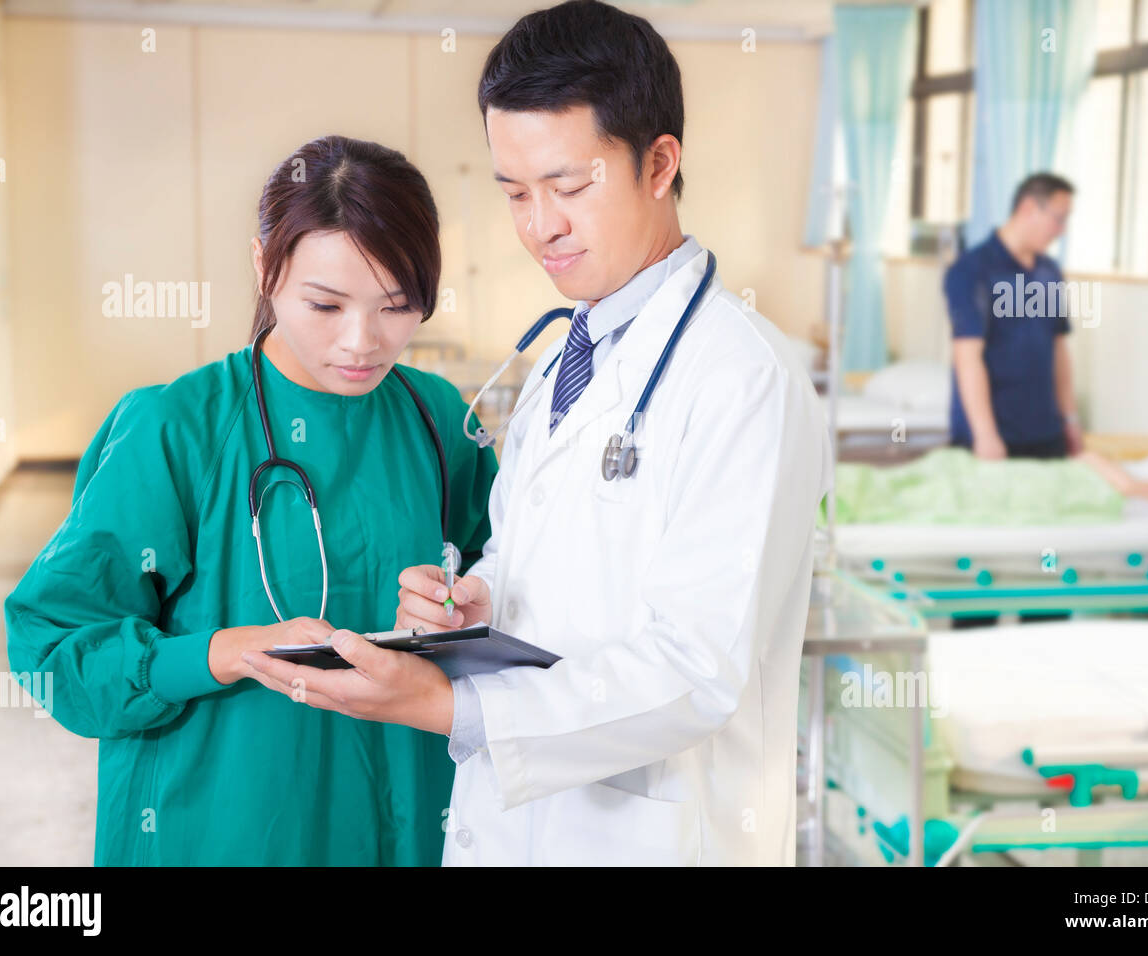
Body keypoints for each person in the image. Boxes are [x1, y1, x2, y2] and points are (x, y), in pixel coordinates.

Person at [243, 0, 832, 866]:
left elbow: (698, 668)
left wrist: (449, 707)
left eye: (569, 186)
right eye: (515, 192)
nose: (538, 225)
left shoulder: (743, 378)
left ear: (660, 162)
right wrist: (479, 597)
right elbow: (546, 560)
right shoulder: (570, 354)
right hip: (521, 823)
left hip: (658, 836)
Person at [4, 136, 498, 865]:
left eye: (397, 306)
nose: (363, 343)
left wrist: (468, 601)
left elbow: (505, 578)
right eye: (325, 305)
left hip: (402, 815)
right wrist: (218, 652)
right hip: (219, 824)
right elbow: (53, 647)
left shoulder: (437, 417)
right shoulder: (174, 427)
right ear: (265, 268)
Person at [946, 172, 1082, 461]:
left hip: (1046, 433)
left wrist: (1069, 418)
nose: (1062, 230)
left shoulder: (1049, 271)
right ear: (1028, 208)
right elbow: (967, 357)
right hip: (992, 436)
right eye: (1058, 218)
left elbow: (1058, 349)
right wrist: (985, 434)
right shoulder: (972, 270)